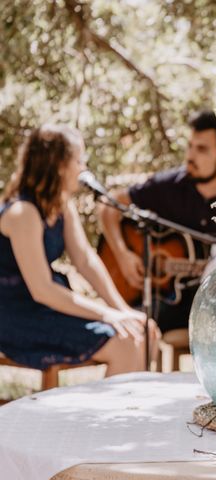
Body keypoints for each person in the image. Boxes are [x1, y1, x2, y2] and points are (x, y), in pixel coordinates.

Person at [0, 124, 159, 376]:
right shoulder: (23, 213)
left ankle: (130, 412)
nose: (83, 168)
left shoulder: (61, 205)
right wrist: (108, 315)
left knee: (145, 332)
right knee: (126, 345)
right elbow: (42, 290)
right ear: (59, 165)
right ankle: (105, 416)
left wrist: (123, 311)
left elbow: (86, 261)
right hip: (16, 316)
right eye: (79, 160)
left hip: (47, 308)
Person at [99, 110, 216, 334]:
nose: (190, 156)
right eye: (190, 146)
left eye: (201, 149)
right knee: (135, 322)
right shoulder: (169, 186)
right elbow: (110, 204)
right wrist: (122, 254)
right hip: (166, 305)